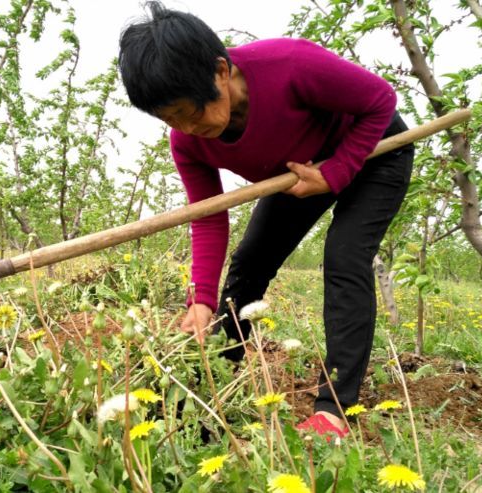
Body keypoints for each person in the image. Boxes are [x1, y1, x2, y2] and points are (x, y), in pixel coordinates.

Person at [118, 2, 413, 438]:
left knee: (345, 256)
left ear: (220, 71)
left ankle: (333, 410)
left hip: (375, 151)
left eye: (190, 111)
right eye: (170, 118)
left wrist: (335, 172)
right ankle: (211, 384)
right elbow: (208, 217)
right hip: (296, 173)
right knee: (250, 263)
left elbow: (380, 100)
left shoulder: (291, 65)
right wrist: (201, 297)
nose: (187, 127)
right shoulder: (187, 143)